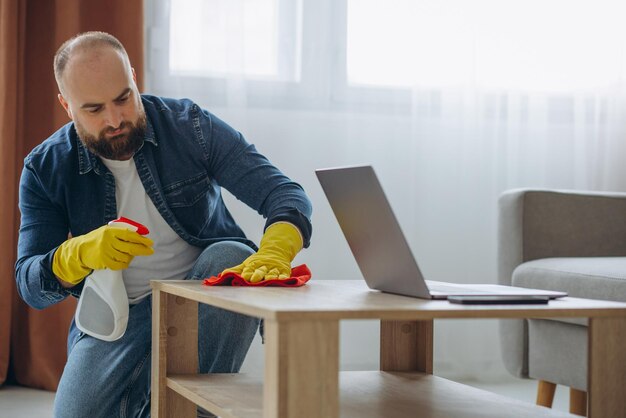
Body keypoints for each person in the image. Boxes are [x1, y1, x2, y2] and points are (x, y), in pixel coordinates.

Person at [15, 31, 312, 418]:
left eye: (123, 98)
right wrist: (76, 254)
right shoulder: (45, 167)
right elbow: (29, 283)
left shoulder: (191, 126)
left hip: (202, 296)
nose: (115, 119)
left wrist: (276, 249)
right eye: (93, 109)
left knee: (232, 255)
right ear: (66, 106)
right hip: (118, 314)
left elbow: (284, 193)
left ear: (134, 78)